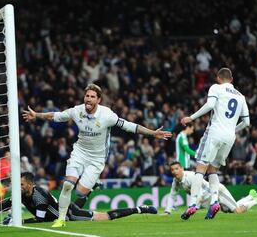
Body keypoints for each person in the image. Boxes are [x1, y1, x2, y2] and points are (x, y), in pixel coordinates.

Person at [22, 84, 172, 227]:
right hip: (79, 152)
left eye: (92, 96)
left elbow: (130, 126)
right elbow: (56, 116)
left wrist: (152, 133)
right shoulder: (77, 110)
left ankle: (92, 185)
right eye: (87, 96)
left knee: (81, 193)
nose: (88, 99)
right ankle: (61, 219)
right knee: (68, 185)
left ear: (98, 100)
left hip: (97, 159)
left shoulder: (107, 115)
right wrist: (36, 115)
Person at [181, 68, 250, 219]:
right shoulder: (241, 97)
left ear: (218, 78)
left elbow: (210, 105)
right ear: (231, 80)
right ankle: (214, 202)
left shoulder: (216, 88)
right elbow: (246, 122)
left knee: (200, 167)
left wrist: (191, 118)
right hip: (230, 137)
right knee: (212, 170)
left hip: (214, 133)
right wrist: (232, 130)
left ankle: (192, 204)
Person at [0, 172, 157, 224]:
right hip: (64, 208)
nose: (19, 187)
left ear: (31, 185)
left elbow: (43, 219)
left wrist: (19, 222)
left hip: (67, 216)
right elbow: (1, 207)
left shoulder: (40, 196)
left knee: (105, 217)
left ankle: (141, 208)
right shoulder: (22, 194)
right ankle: (92, 189)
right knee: (75, 205)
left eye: (22, 184)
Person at [164, 162, 257, 216]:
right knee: (233, 210)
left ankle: (256, 200)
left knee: (237, 211)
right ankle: (251, 196)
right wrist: (167, 211)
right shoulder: (176, 181)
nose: (174, 171)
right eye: (172, 170)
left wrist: (194, 207)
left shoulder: (191, 176)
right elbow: (172, 195)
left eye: (177, 169)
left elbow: (199, 195)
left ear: (182, 168)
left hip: (218, 192)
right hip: (213, 199)